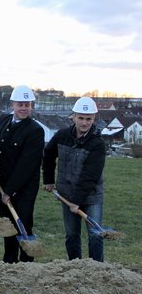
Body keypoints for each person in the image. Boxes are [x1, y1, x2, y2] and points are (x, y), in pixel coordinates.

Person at [42, 96, 106, 262]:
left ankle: (97, 270)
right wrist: (48, 179)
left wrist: (77, 201)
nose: (84, 123)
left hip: (91, 196)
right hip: (67, 195)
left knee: (95, 234)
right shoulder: (62, 136)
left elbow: (90, 176)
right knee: (71, 235)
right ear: (74, 117)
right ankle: (75, 268)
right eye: (81, 118)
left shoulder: (97, 144)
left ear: (94, 119)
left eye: (88, 119)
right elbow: (48, 154)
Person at [0, 85, 45, 263]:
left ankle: (26, 265)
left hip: (23, 189)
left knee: (23, 225)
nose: (24, 108)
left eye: (27, 104)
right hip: (2, 186)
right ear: (12, 105)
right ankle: (9, 262)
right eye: (20, 104)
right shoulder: (3, 120)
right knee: (7, 227)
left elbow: (27, 165)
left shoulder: (35, 131)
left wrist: (10, 191)